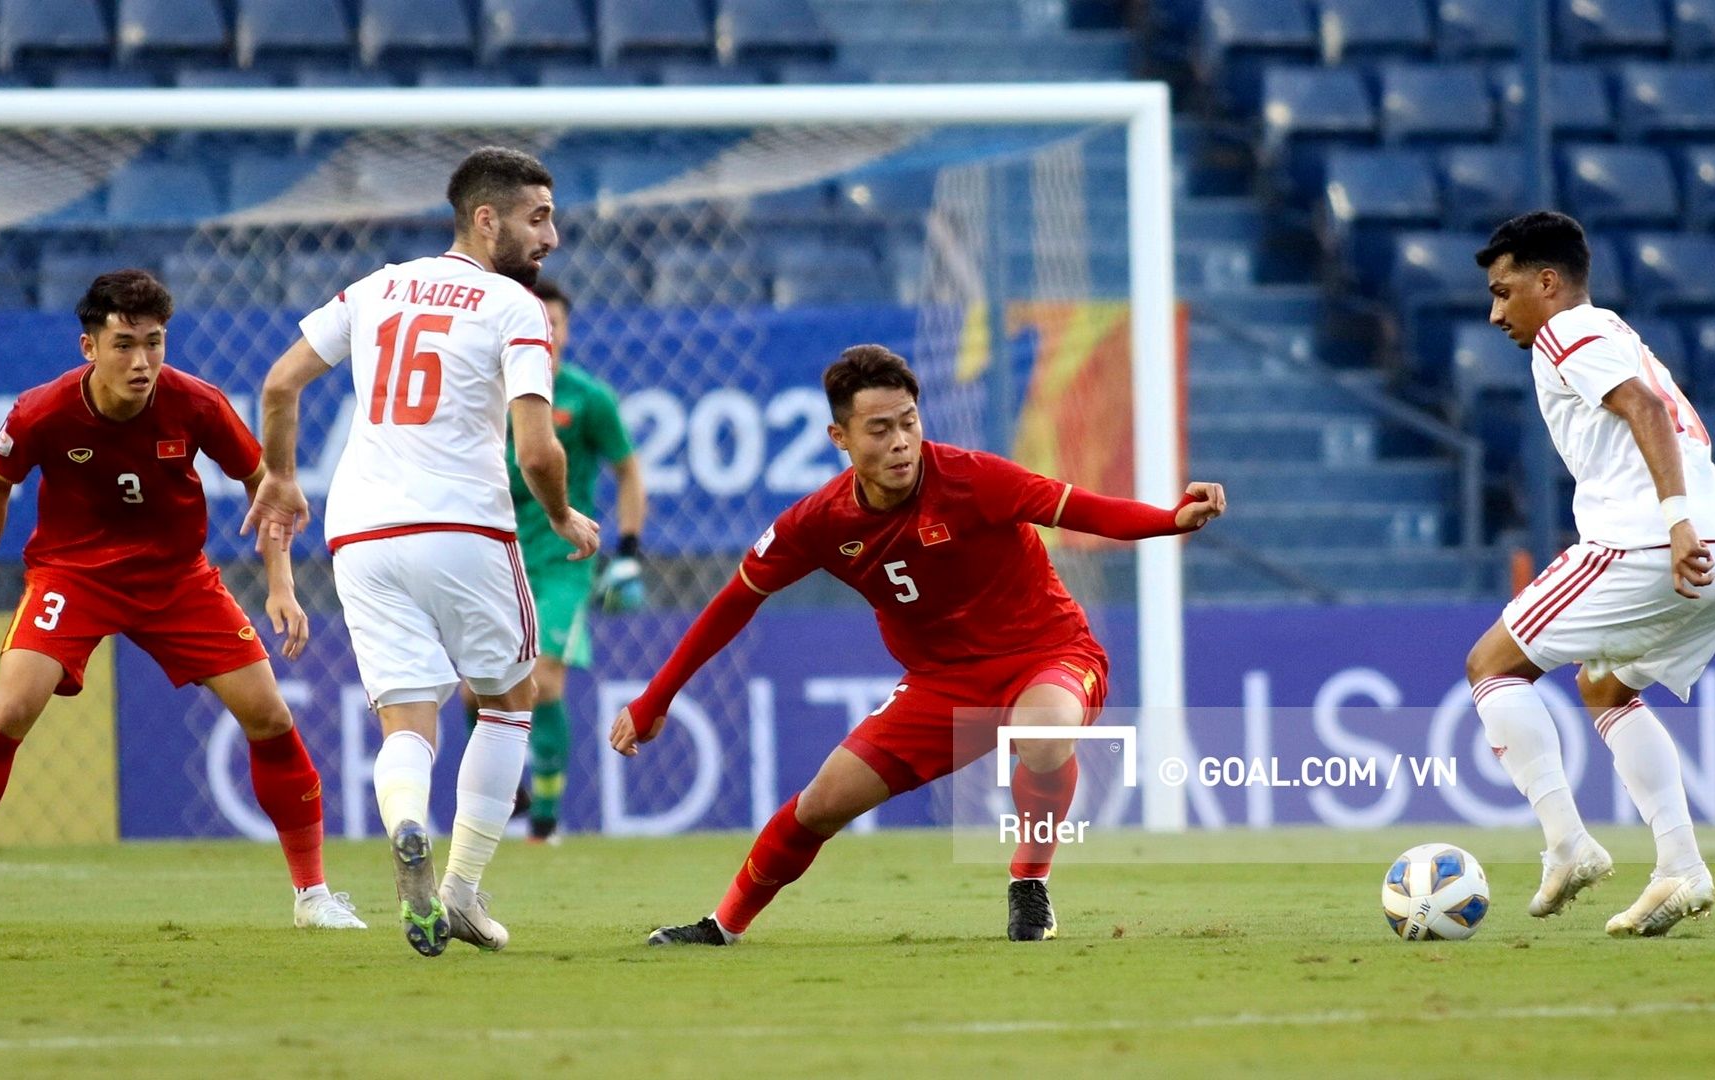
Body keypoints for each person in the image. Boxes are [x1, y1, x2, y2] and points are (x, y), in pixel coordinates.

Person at [611, 345, 1226, 945]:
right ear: (839, 438)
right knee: (822, 804)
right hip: (941, 681)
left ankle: (1030, 879)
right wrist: (655, 698)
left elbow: (1082, 511)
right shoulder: (817, 524)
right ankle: (723, 925)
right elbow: (732, 604)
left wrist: (1168, 519)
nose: (900, 441)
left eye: (908, 422)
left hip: (1050, 655)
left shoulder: (973, 477)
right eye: (879, 429)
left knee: (1042, 734)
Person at [0, 270, 363, 937]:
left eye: (154, 342)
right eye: (123, 345)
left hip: (177, 579)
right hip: (72, 577)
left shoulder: (196, 403)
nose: (141, 361)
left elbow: (270, 488)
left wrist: (280, 583)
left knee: (268, 714)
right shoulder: (42, 411)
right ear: (89, 347)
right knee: (11, 707)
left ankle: (313, 894)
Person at [244, 146, 598, 957]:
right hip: (466, 529)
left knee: (407, 719)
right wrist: (564, 515)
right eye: (537, 217)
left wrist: (284, 477)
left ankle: (407, 822)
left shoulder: (375, 288)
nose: (552, 235)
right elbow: (538, 451)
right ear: (486, 217)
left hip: (362, 536)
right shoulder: (516, 308)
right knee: (510, 704)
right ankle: (462, 892)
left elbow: (278, 384)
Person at [1463, 211, 1715, 937]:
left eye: (1505, 293)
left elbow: (1646, 410)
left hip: (1656, 544)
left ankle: (1568, 844)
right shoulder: (1615, 332)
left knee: (1491, 666)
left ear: (1548, 282)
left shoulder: (1570, 330)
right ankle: (1681, 867)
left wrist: (1674, 519)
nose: (1496, 313)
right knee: (1604, 687)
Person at [458, 278, 646, 843]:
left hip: (564, 559)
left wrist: (629, 553)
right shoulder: (487, 394)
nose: (546, 331)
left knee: (544, 678)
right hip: (495, 555)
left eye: (554, 322)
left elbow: (629, 472)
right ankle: (510, 784)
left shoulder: (588, 398)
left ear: (562, 330)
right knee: (475, 690)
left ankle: (544, 821)